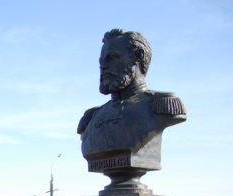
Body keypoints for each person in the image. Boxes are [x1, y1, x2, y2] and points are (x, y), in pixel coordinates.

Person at [78, 29, 186, 185]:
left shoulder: (159, 106)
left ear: (138, 56)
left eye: (112, 57)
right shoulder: (92, 116)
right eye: (101, 61)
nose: (103, 66)